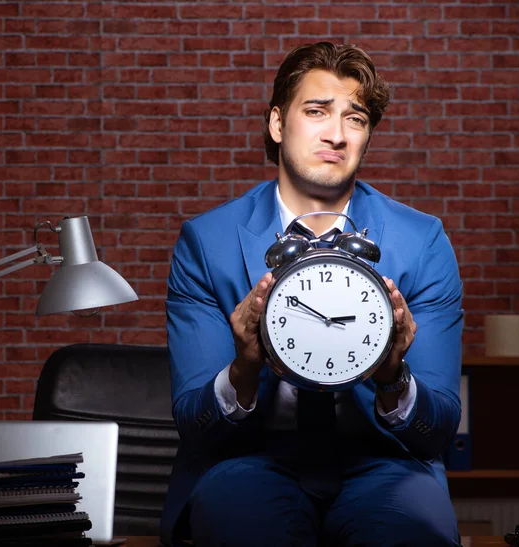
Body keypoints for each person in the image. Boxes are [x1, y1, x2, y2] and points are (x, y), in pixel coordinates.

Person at [161, 42, 463, 547]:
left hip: (384, 466)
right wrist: (243, 368)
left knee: (413, 532)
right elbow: (195, 425)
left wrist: (393, 375)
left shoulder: (423, 241)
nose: (337, 135)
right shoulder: (206, 242)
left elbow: (438, 429)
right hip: (249, 463)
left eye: (356, 119)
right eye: (317, 111)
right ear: (278, 124)